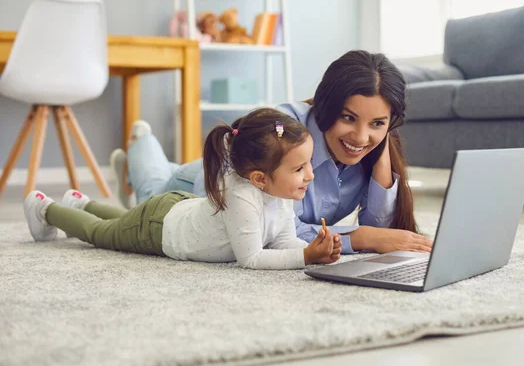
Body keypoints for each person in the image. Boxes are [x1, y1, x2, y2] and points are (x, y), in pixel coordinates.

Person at [111, 50, 433, 255]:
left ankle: (142, 159)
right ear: (325, 106)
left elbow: (381, 226)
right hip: (202, 189)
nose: (360, 137)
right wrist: (361, 237)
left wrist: (381, 147)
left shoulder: (370, 146)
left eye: (378, 122)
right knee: (152, 191)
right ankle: (142, 143)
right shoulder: (282, 131)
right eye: (348, 118)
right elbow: (268, 229)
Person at [23, 109, 342, 270]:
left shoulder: (280, 194)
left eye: (308, 164)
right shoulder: (243, 196)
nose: (310, 176)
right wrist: (305, 257)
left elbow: (282, 240)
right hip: (159, 229)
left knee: (121, 220)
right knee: (100, 233)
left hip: (176, 209)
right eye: (300, 169)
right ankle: (45, 208)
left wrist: (314, 248)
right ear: (259, 178)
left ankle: (82, 203)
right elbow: (252, 259)